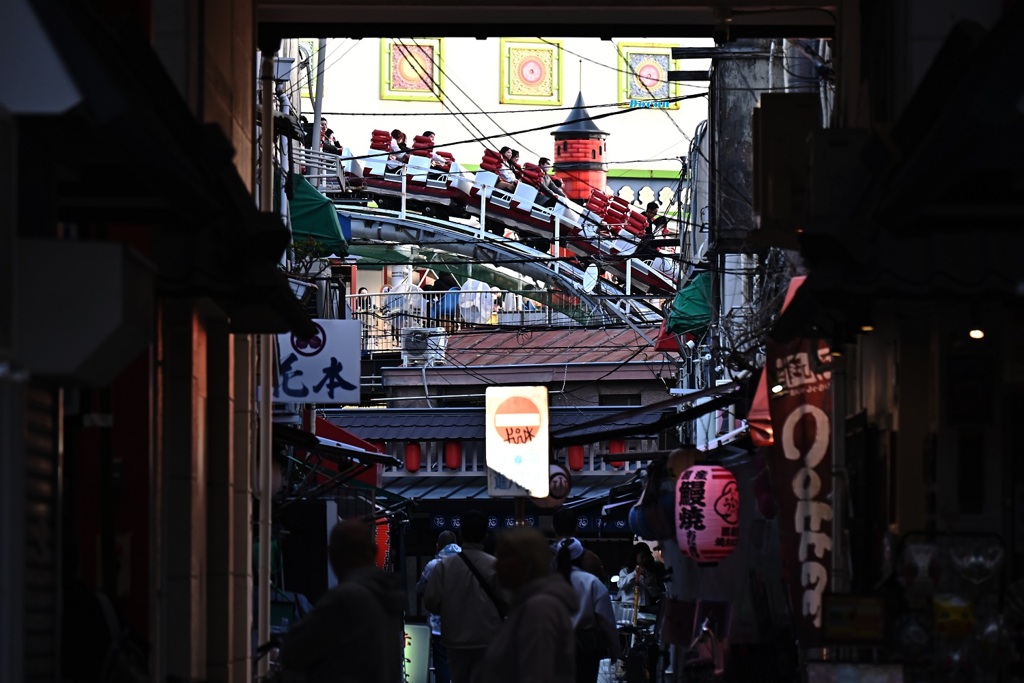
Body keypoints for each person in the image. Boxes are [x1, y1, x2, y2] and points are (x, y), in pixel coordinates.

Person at [278, 518, 405, 683]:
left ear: (333, 555)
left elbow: (293, 651)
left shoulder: (345, 598)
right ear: (374, 552)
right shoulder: (387, 596)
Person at [482, 527, 578, 683]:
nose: (495, 566)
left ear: (526, 563)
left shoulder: (540, 609)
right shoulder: (529, 605)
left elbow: (535, 675)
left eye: (503, 557)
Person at [424, 510, 504, 683]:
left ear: (461, 534)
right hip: (488, 637)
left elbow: (431, 602)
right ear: (484, 535)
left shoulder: (444, 566)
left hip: (455, 638)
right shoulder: (496, 566)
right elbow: (507, 601)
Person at [554, 537, 622, 683]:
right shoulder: (592, 582)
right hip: (585, 651)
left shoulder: (546, 582)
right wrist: (616, 651)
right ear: (581, 557)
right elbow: (607, 621)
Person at [417, 531, 462, 683]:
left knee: (442, 663)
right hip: (464, 622)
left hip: (439, 624)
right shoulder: (467, 562)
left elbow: (419, 589)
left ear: (438, 546)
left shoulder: (434, 565)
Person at [552, 509, 607, 584]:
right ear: (576, 528)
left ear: (553, 528)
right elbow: (603, 583)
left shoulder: (543, 558)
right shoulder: (591, 559)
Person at [617, 543, 665, 612]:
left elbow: (654, 594)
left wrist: (649, 583)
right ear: (635, 556)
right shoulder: (625, 571)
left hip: (645, 609)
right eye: (642, 556)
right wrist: (635, 573)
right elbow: (621, 586)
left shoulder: (648, 572)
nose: (644, 559)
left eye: (646, 557)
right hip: (629, 608)